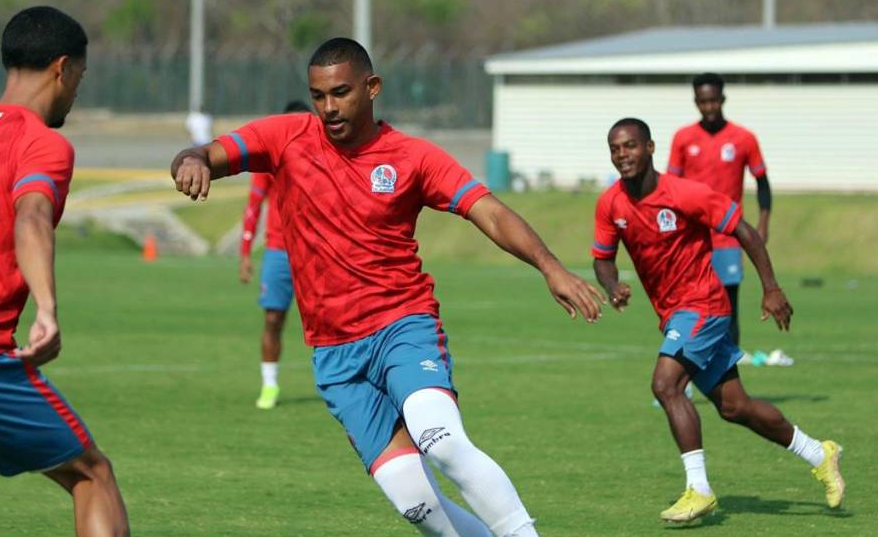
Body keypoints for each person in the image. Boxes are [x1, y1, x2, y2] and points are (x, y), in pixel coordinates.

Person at [171, 37, 604, 536]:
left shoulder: (413, 157)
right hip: (335, 356)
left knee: (440, 439)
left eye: (341, 92)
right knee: (415, 503)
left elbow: (487, 211)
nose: (328, 108)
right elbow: (207, 151)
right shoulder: (287, 136)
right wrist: (192, 159)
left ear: (372, 87)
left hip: (402, 326)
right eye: (318, 96)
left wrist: (550, 266)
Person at [591, 118, 843, 523]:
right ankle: (820, 453)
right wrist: (612, 285)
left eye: (631, 146)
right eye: (616, 149)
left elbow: (743, 229)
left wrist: (771, 287)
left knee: (665, 384)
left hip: (704, 304)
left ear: (651, 148)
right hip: (675, 312)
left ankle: (699, 489)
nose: (623, 155)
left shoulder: (684, 193)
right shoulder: (611, 203)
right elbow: (602, 258)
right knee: (735, 407)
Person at [0, 6, 129, 536]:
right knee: (91, 474)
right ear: (62, 68)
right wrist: (47, 308)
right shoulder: (42, 143)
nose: (77, 90)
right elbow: (30, 214)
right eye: (80, 76)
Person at [668, 73, 771, 348]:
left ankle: (729, 378)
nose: (709, 107)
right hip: (691, 238)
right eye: (703, 102)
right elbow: (670, 188)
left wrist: (763, 223)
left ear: (722, 99)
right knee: (687, 308)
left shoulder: (743, 138)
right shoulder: (683, 138)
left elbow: (762, 183)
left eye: (714, 101)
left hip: (728, 238)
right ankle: (683, 379)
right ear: (696, 102)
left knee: (727, 308)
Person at [239, 99, 310, 409]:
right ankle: (269, 384)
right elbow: (254, 206)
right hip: (279, 252)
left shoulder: (317, 158)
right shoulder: (268, 161)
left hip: (314, 252)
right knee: (273, 319)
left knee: (331, 321)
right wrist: (245, 253)